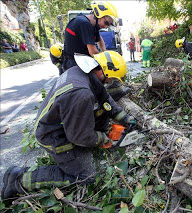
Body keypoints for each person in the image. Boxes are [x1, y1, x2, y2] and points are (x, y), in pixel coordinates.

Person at [1, 51, 136, 200]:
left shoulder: (81, 72)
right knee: (86, 176)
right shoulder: (82, 94)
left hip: (62, 123)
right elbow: (79, 136)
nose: (108, 82)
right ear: (102, 70)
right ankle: (18, 179)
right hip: (53, 136)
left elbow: (105, 99)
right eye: (109, 79)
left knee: (99, 114)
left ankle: (88, 145)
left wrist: (126, 119)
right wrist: (104, 139)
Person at [63, 1, 118, 70]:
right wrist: (106, 63)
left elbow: (100, 40)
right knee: (102, 75)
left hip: (80, 61)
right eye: (106, 23)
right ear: (98, 15)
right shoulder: (84, 24)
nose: (106, 27)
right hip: (73, 64)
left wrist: (106, 54)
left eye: (109, 25)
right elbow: (93, 52)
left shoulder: (93, 26)